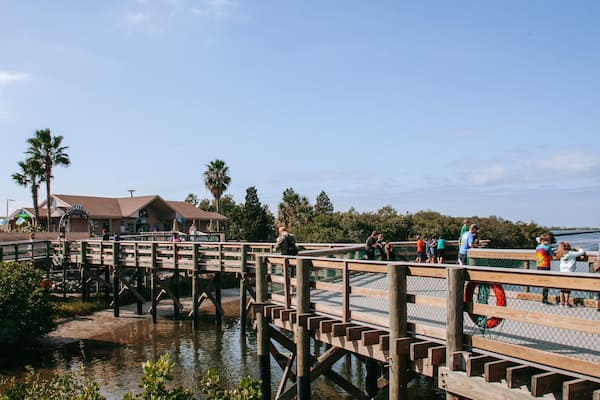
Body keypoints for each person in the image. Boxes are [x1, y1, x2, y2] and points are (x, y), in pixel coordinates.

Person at [555, 242, 585, 307]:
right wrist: (578, 248)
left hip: (561, 273)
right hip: (569, 273)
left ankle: (561, 302)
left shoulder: (561, 253)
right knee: (567, 289)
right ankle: (566, 303)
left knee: (562, 289)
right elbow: (582, 252)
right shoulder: (571, 253)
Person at [535, 233, 554, 304]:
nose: (549, 242)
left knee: (542, 283)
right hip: (545, 266)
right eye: (549, 240)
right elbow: (552, 255)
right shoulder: (547, 247)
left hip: (539, 266)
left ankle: (543, 299)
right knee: (546, 283)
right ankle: (544, 300)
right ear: (545, 240)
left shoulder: (537, 247)